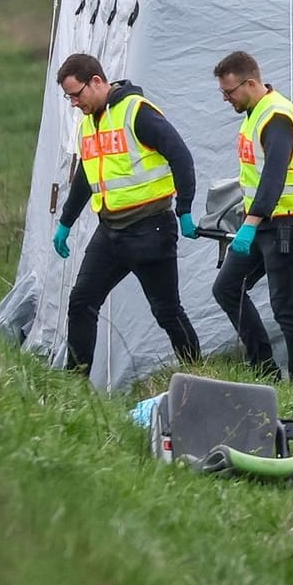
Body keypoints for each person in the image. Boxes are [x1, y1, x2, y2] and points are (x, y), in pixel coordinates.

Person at [52, 53, 202, 373]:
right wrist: (66, 221)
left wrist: (184, 209)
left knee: (166, 311)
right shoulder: (89, 124)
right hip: (110, 232)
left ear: (96, 82)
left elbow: (181, 157)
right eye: (69, 97)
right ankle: (73, 385)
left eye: (76, 95)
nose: (74, 103)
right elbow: (85, 176)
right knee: (81, 303)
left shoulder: (137, 112)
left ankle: (199, 374)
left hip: (151, 229)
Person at [210, 51, 293, 381]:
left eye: (229, 92)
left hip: (290, 222)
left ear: (250, 83)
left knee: (287, 307)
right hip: (263, 223)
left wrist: (249, 224)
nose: (226, 99)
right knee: (227, 289)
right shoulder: (254, 112)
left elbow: (274, 178)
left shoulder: (277, 117)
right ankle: (263, 367)